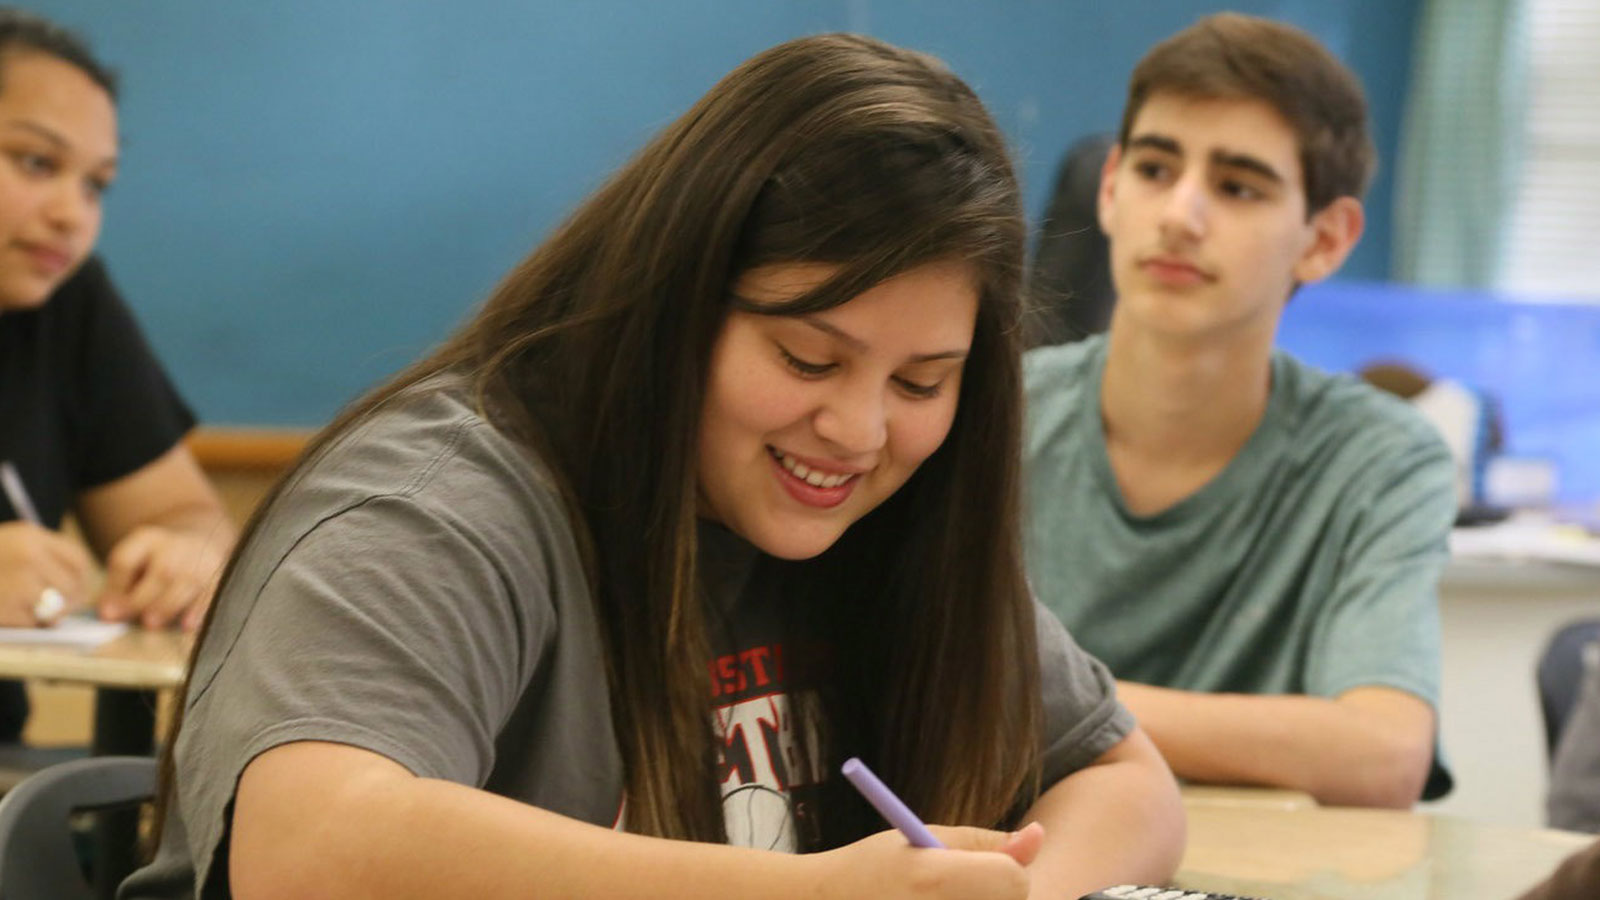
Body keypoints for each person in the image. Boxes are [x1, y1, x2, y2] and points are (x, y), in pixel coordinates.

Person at [125, 33, 1185, 900]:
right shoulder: (443, 499)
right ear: (679, 305)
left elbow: (1123, 780)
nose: (858, 431)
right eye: (805, 357)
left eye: (921, 384)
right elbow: (305, 852)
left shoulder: (899, 521)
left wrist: (1014, 892)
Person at [1021, 13, 1456, 808]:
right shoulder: (997, 419)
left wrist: (1039, 705)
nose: (1180, 215)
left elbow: (1385, 753)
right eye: (1155, 169)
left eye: (1237, 187)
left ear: (1325, 239)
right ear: (1111, 189)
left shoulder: (1383, 460)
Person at [0, 9, 234, 740]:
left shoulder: (69, 302)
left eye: (96, 184)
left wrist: (186, 557)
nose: (73, 214)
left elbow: (188, 518)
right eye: (37, 163)